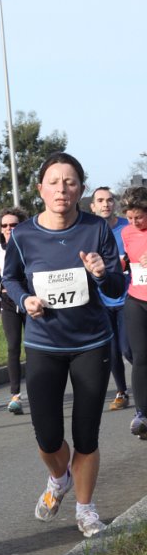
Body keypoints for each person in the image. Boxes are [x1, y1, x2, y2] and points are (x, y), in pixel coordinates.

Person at [3, 152, 124, 537]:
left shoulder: (97, 229)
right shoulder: (23, 236)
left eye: (70, 182)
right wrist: (25, 300)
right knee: (47, 436)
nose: (62, 189)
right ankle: (59, 477)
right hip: (44, 345)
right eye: (54, 182)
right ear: (40, 189)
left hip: (91, 343)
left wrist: (102, 274)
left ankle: (86, 510)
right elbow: (11, 279)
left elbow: (117, 286)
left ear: (80, 189)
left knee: (86, 434)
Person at [90, 187, 132, 409]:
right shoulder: (90, 232)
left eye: (109, 200)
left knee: (128, 349)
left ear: (114, 203)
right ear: (93, 206)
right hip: (101, 301)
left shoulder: (128, 227)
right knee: (112, 351)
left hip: (128, 297)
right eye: (100, 201)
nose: (105, 204)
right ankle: (122, 392)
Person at [0, 207, 29, 415]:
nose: (8, 228)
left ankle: (38, 388)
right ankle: (15, 395)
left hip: (29, 299)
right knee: (13, 346)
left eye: (13, 225)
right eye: (4, 225)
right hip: (7, 301)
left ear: (21, 226)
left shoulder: (29, 245)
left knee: (32, 347)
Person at [120, 186, 147, 438]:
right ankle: (142, 414)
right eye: (129, 217)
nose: (134, 222)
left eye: (138, 217)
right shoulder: (127, 232)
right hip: (136, 298)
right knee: (138, 355)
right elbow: (128, 260)